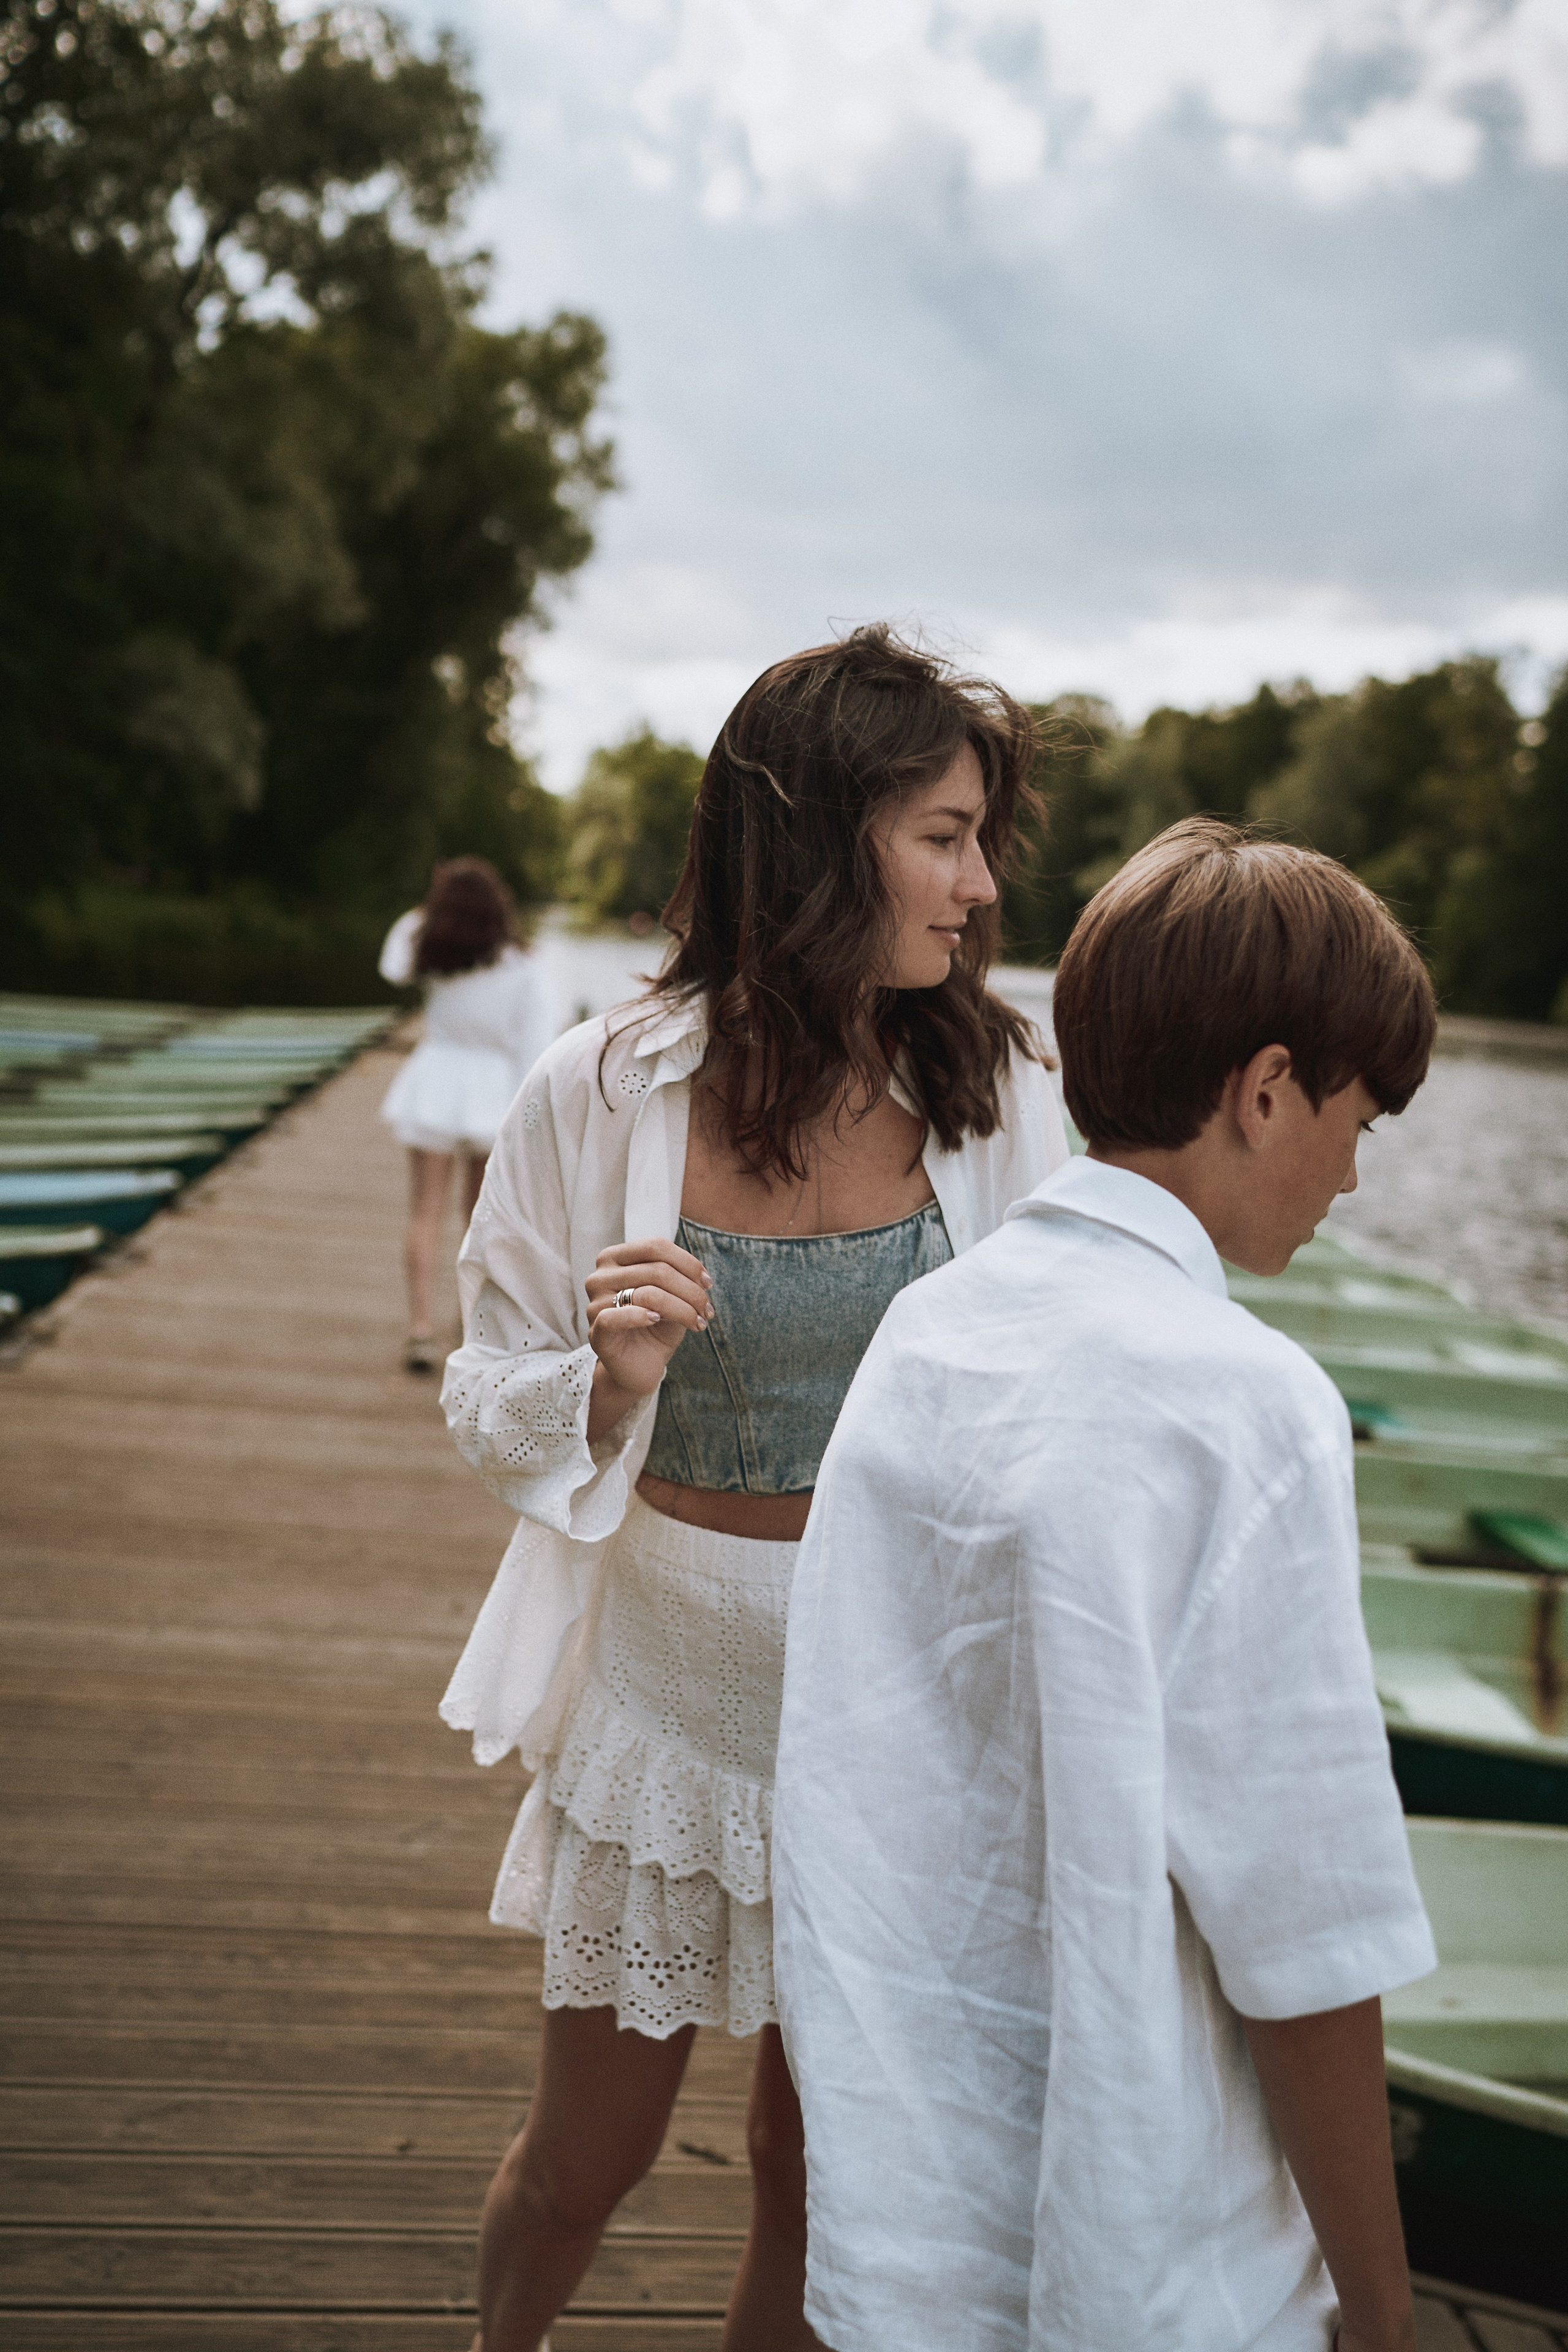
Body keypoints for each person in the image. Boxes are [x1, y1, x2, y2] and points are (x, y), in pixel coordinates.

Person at [435, 626, 1071, 2352]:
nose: (977, 882)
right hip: (662, 1702)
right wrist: (604, 1379)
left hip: (893, 1720)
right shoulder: (598, 1086)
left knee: (817, 2171)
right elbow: (483, 1402)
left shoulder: (1010, 1097)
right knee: (587, 2160)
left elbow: (1069, 1391)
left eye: (979, 837)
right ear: (817, 844)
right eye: (943, 834)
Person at [772, 816, 1441, 2352]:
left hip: (899, 2220)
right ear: (1263, 1091)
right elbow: (1304, 1922)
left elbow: (844, 1783)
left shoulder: (928, 1333)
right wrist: (1381, 2306)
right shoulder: (1246, 1404)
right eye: (1358, 1116)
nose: (1351, 1170)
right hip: (1143, 2246)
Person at [379, 859, 556, 1373]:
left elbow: (391, 964)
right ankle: (469, 1323)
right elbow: (536, 1048)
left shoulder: (433, 952)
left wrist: (431, 909)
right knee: (479, 1218)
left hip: (435, 1084)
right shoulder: (522, 967)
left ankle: (419, 1329)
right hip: (493, 1095)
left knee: (424, 1211)